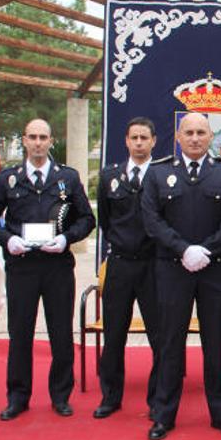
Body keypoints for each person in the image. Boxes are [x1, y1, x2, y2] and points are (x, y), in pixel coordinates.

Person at [141, 112, 221, 440]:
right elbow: (151, 220)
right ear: (178, 136)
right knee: (171, 344)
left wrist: (207, 251)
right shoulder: (158, 173)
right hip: (173, 269)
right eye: (190, 132)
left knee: (214, 345)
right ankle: (163, 415)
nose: (196, 138)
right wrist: (184, 250)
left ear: (211, 136)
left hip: (215, 271)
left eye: (202, 132)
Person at [0, 118, 95, 421]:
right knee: (20, 334)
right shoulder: (8, 178)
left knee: (61, 334)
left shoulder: (68, 178)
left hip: (57, 267)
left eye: (43, 137)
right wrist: (7, 240)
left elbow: (86, 219)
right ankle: (17, 397)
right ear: (24, 140)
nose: (38, 143)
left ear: (52, 141)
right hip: (22, 267)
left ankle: (61, 395)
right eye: (32, 137)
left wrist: (66, 238)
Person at [93, 117, 159, 419]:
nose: (139, 143)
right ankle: (110, 396)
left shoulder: (162, 175)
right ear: (126, 141)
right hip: (120, 264)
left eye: (144, 138)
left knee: (160, 335)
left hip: (154, 266)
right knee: (114, 334)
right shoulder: (109, 177)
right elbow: (105, 221)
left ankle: (158, 397)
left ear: (154, 141)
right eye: (134, 138)